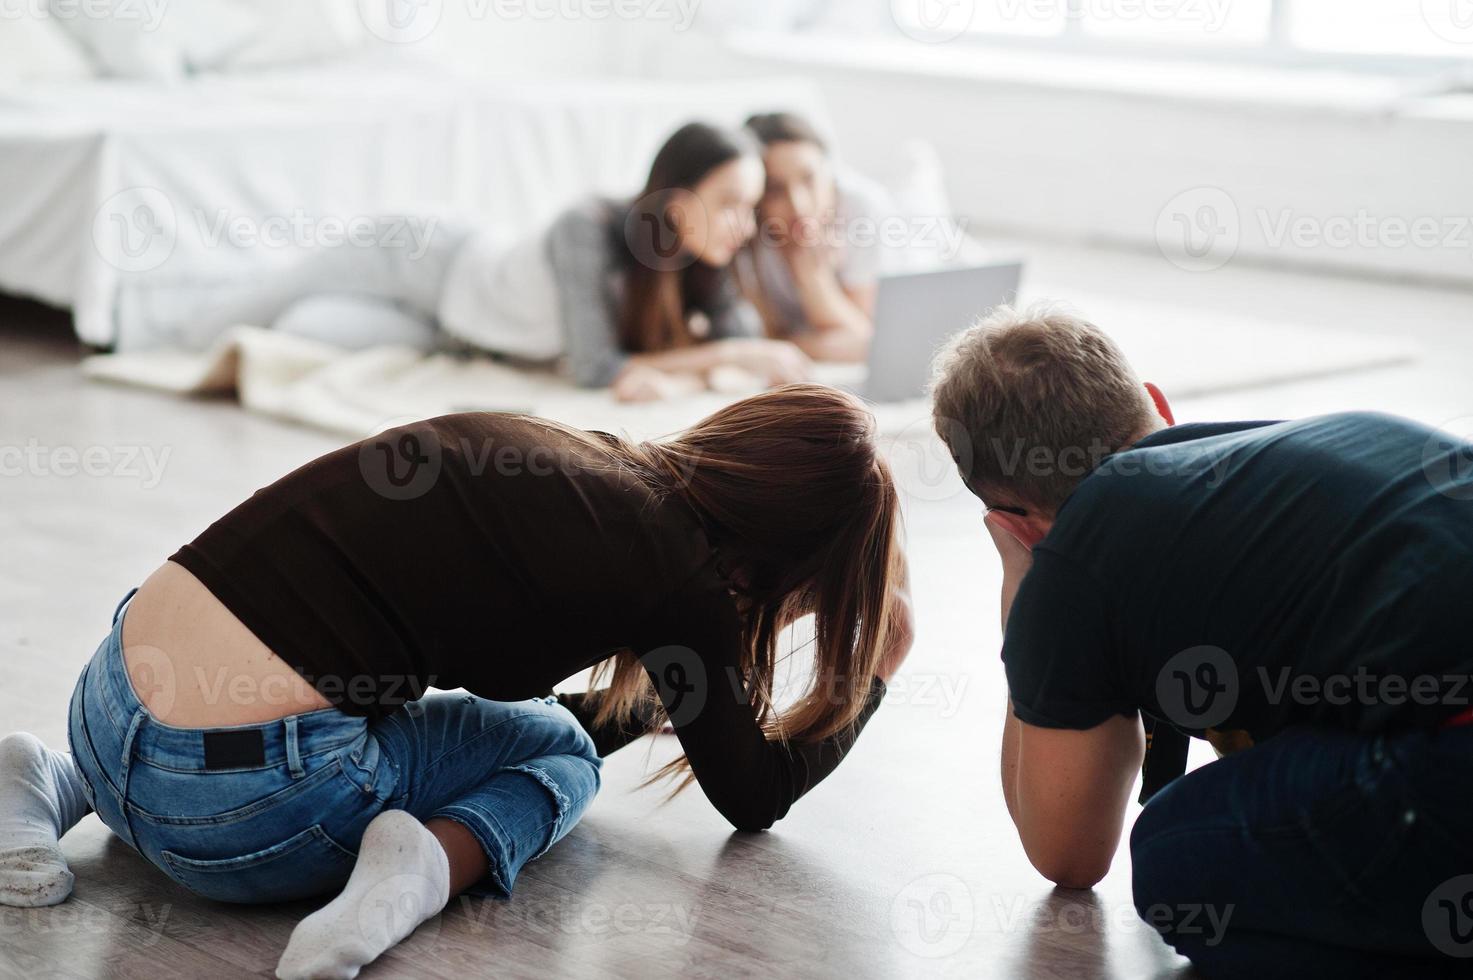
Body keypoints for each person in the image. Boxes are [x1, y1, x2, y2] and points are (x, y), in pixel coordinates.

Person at [0, 384, 912, 979]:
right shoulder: (683, 573)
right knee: (557, 758)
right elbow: (752, 797)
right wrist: (872, 672)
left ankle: (46, 777)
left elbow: (626, 686)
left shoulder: (566, 451)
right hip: (234, 811)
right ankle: (424, 868)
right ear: (788, 563)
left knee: (407, 704)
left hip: (106, 695)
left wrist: (691, 681)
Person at [928, 302, 1473, 979]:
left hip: (1451, 752)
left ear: (1015, 521)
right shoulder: (1325, 437)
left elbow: (1066, 853)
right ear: (1156, 402)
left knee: (1173, 850)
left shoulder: (1077, 558)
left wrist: (1024, 587)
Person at [137, 122, 814, 403]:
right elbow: (594, 368)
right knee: (261, 301)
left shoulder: (703, 255)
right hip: (423, 260)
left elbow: (738, 338)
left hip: (454, 330)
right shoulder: (588, 228)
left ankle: (212, 308)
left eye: (749, 207)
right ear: (675, 197)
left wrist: (753, 355)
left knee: (303, 325)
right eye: (728, 203)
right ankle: (155, 320)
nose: (743, 224)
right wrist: (723, 359)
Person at [738, 111, 893, 364]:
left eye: (808, 179)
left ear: (829, 173)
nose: (798, 206)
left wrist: (813, 280)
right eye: (776, 190)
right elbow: (758, 337)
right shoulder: (746, 230)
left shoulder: (860, 209)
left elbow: (866, 343)